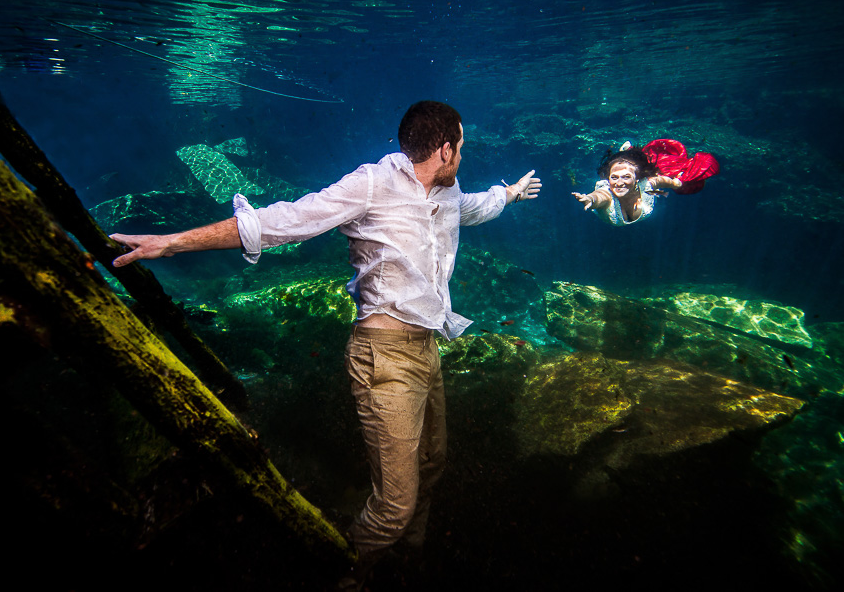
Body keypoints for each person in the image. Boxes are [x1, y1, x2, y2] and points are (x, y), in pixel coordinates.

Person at [110, 100, 541, 587]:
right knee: (394, 506)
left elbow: (470, 209)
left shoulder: (446, 190)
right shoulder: (371, 185)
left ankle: (409, 558)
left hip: (426, 348)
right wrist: (170, 243)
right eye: (460, 147)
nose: (462, 155)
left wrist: (511, 194)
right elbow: (282, 222)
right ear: (444, 149)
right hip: (383, 355)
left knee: (432, 463)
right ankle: (338, 574)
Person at [572, 139, 719, 225]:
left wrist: (678, 183)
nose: (619, 183)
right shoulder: (607, 191)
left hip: (642, 175)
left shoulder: (646, 183)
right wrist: (589, 199)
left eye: (626, 177)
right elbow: (600, 196)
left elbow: (663, 181)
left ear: (636, 179)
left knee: (655, 169)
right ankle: (627, 152)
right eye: (614, 177)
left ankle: (628, 152)